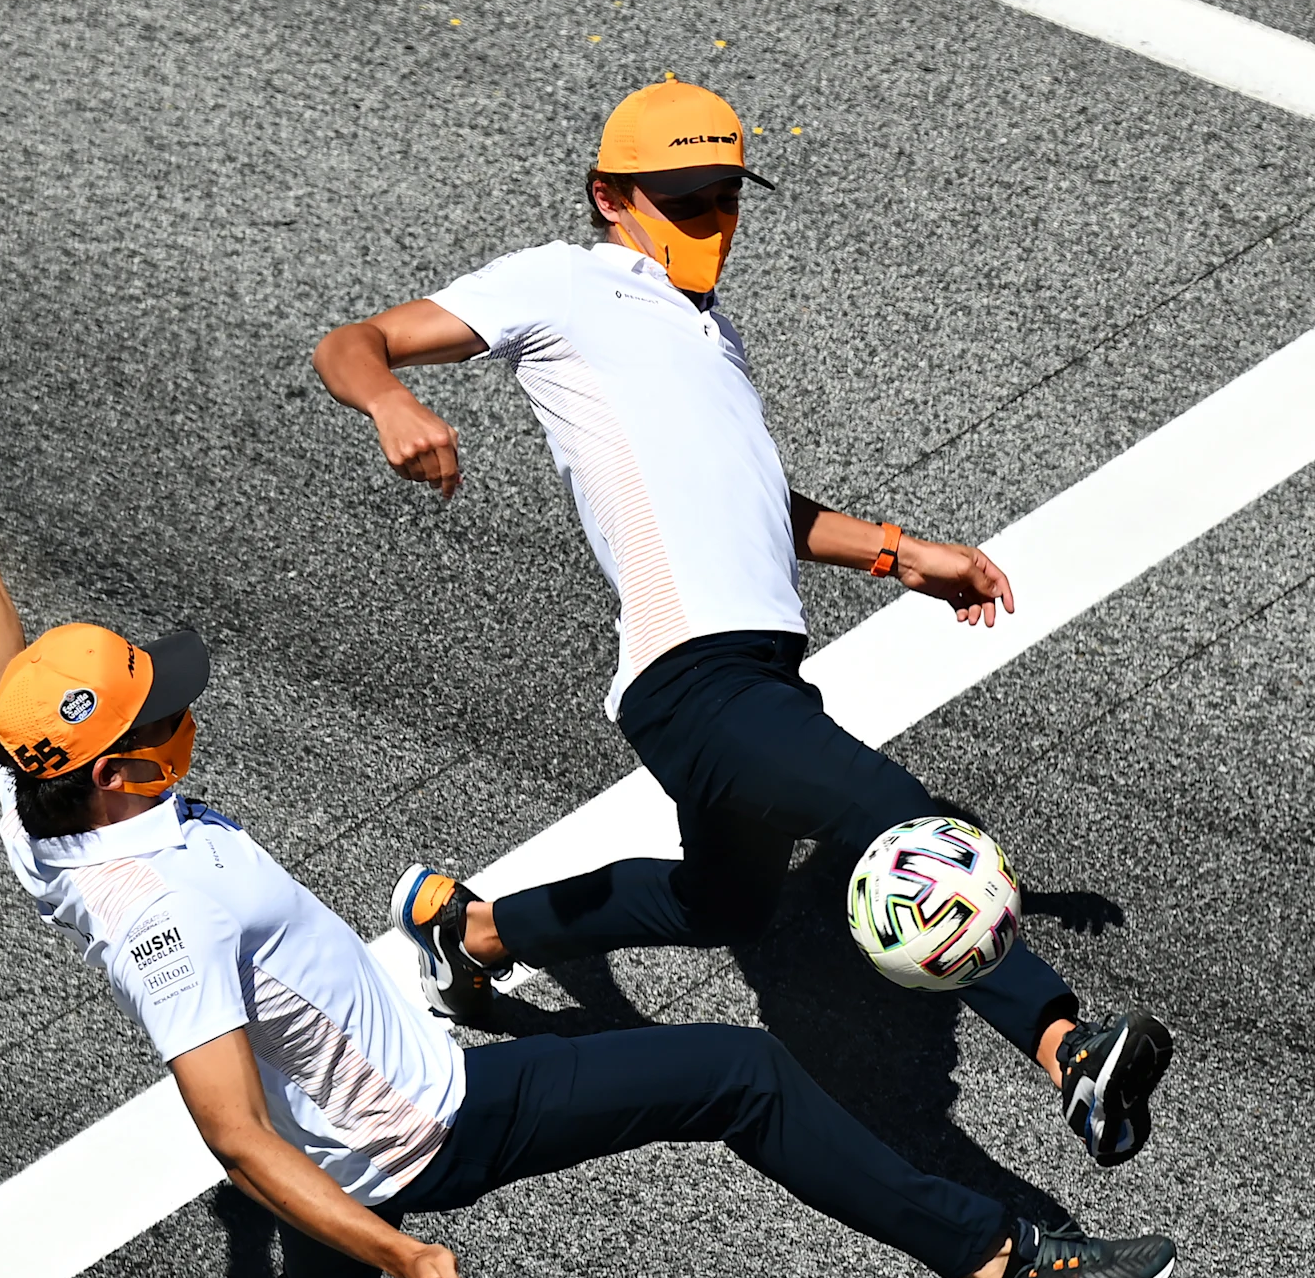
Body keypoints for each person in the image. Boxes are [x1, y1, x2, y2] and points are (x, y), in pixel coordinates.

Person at [0, 396, 1179, 1278]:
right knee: (739, 1077)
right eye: (160, 715)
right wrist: (406, 1251)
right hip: (424, 1124)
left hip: (336, 1146)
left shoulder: (46, 800)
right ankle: (1001, 1265)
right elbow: (231, 1134)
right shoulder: (161, 906)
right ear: (120, 770)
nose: (183, 714)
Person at [310, 79, 1175, 1170]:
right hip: (695, 682)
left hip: (753, 680)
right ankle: (1066, 1049)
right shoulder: (562, 285)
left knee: (724, 900)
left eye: (722, 197)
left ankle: (470, 931)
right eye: (681, 199)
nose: (709, 221)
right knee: (898, 822)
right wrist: (391, 401)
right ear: (610, 198)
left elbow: (756, 505)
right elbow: (352, 340)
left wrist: (905, 554)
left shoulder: (712, 341)